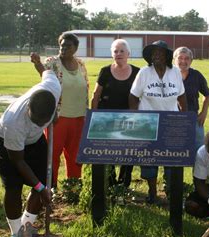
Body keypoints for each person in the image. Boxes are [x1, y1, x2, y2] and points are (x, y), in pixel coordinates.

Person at [0, 70, 60, 237]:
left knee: (46, 181)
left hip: (35, 141)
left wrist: (56, 114)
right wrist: (39, 187)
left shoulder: (53, 87)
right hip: (8, 144)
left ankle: (26, 227)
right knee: (13, 187)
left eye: (43, 122)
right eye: (36, 120)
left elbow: (48, 72)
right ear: (28, 107)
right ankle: (16, 234)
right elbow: (19, 162)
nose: (39, 124)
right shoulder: (14, 123)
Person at [129, 40, 187, 204]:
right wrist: (136, 119)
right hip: (148, 123)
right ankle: (152, 191)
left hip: (171, 123)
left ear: (167, 56)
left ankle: (170, 191)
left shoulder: (175, 72)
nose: (156, 56)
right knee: (149, 159)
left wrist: (185, 118)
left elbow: (181, 96)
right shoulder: (144, 72)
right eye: (153, 53)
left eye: (160, 53)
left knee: (172, 159)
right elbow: (133, 97)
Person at [31, 32, 88, 191]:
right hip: (58, 117)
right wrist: (37, 64)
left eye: (68, 45)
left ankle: (73, 187)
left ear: (75, 48)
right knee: (53, 154)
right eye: (62, 45)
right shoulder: (53, 62)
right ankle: (52, 187)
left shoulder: (81, 64)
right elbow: (45, 76)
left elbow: (85, 86)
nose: (63, 48)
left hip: (79, 117)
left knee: (75, 156)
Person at [91, 39, 140, 187]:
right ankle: (111, 183)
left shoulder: (138, 72)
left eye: (122, 51)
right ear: (112, 54)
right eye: (115, 51)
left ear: (128, 54)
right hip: (106, 118)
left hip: (129, 120)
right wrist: (93, 118)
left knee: (128, 152)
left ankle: (124, 184)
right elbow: (95, 95)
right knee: (109, 152)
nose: (118, 54)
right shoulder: (105, 71)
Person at [173, 47, 209, 149]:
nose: (183, 61)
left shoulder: (196, 75)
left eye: (187, 58)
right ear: (174, 59)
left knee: (199, 151)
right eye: (180, 58)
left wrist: (204, 112)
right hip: (172, 120)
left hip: (193, 118)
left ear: (191, 61)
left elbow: (207, 95)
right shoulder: (168, 75)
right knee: (175, 150)